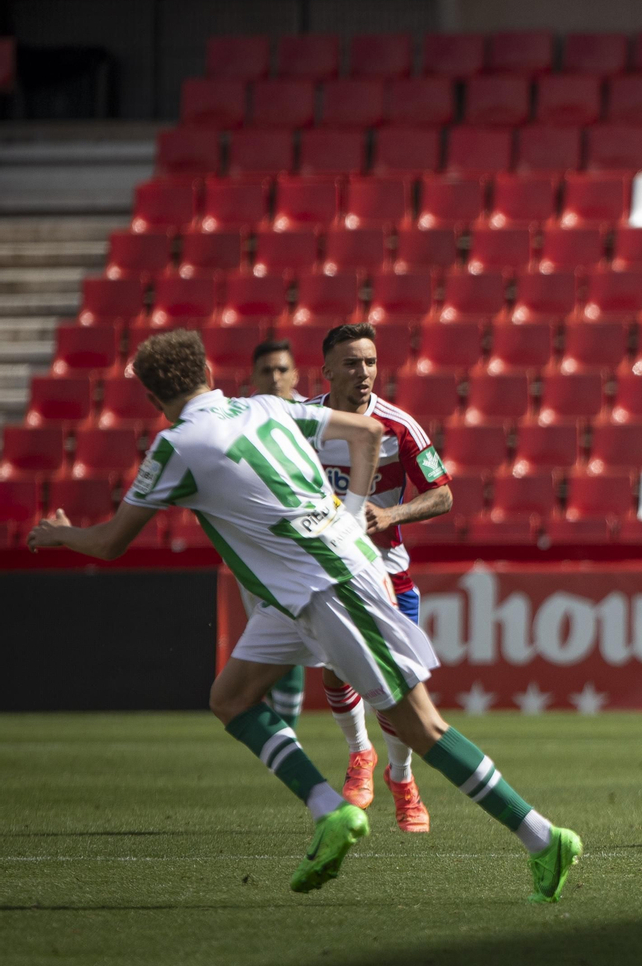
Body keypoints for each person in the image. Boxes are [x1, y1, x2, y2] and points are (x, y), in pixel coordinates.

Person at [27, 330, 580, 902]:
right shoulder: (267, 406)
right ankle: (328, 812)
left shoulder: (175, 448)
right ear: (208, 371)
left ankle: (543, 837)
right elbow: (367, 431)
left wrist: (60, 534)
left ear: (151, 396)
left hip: (329, 583)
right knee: (230, 698)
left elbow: (113, 542)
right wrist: (355, 512)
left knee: (420, 726)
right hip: (297, 590)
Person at [306, 323, 454, 834]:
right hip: (325, 571)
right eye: (350, 363)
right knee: (332, 670)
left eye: (369, 362)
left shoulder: (399, 426)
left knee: (393, 689)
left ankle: (403, 779)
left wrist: (394, 515)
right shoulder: (304, 422)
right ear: (327, 370)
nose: (363, 372)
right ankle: (359, 753)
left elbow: (444, 493)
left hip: (386, 572)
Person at [248, 338, 308, 728]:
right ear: (253, 377)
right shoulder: (239, 418)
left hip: (307, 545)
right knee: (276, 642)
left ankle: (289, 734)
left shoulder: (313, 415)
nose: (275, 377)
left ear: (296, 374)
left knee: (293, 636)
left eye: (282, 369)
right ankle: (288, 731)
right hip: (257, 545)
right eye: (267, 370)